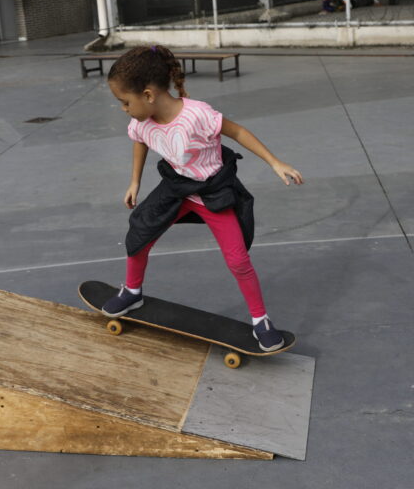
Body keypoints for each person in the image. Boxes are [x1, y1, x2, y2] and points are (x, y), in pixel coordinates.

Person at [101, 45, 303, 352]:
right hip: (176, 187)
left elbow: (238, 132)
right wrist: (134, 182)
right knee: (139, 233)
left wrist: (275, 162)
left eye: (125, 102)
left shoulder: (198, 115)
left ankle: (261, 320)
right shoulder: (141, 121)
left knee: (237, 260)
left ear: (148, 94)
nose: (123, 108)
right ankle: (132, 291)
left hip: (212, 192)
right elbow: (140, 142)